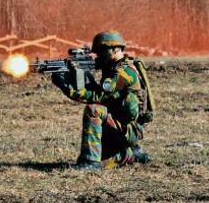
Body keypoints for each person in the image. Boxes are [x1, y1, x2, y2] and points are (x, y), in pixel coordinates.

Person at [51, 30, 153, 170]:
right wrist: (81, 76)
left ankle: (90, 162)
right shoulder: (115, 67)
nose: (98, 56)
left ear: (115, 49)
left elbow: (98, 97)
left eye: (102, 52)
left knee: (94, 110)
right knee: (105, 161)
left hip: (129, 130)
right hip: (121, 125)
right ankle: (130, 153)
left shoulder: (123, 72)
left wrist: (67, 88)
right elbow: (105, 96)